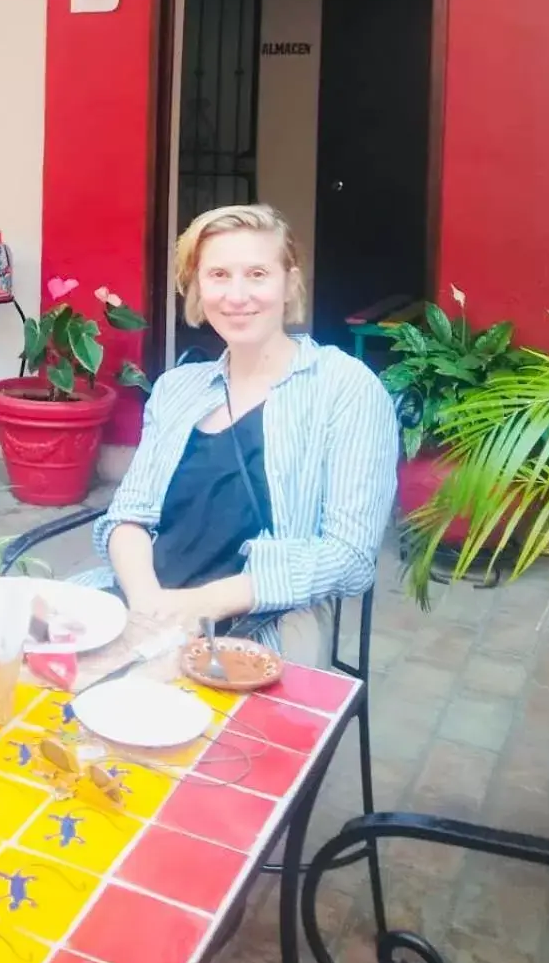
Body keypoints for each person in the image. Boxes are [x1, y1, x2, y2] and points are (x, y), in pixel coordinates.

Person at [93, 204, 397, 666]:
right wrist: (147, 602)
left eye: (257, 273)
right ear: (197, 288)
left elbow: (349, 556)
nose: (237, 295)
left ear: (289, 283)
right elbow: (128, 516)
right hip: (144, 605)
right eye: (218, 275)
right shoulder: (179, 388)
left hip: (258, 628)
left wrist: (201, 606)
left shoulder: (344, 389)